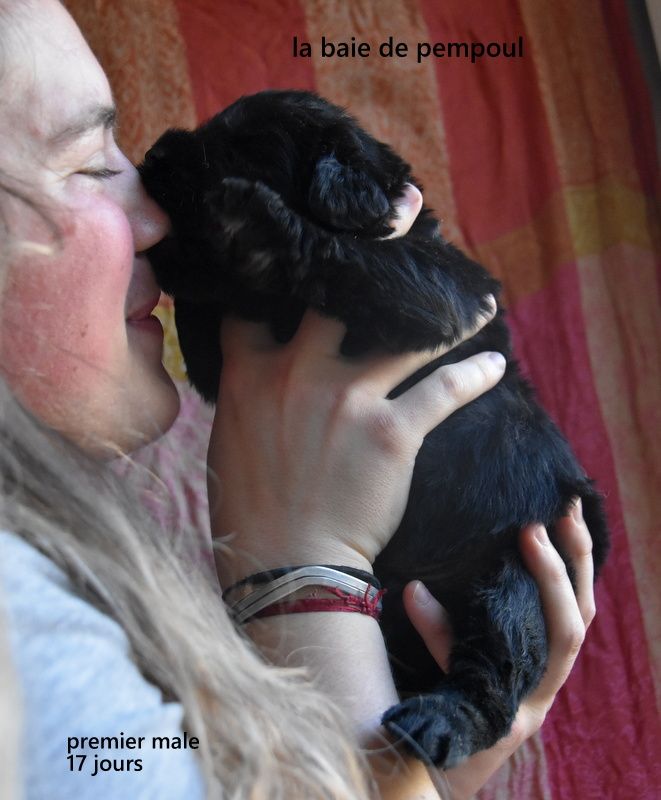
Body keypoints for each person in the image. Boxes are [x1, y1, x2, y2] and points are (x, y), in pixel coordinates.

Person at [0, 1, 596, 798]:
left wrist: (417, 774)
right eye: (86, 164)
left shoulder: (61, 593)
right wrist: (304, 573)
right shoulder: (22, 627)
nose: (152, 215)